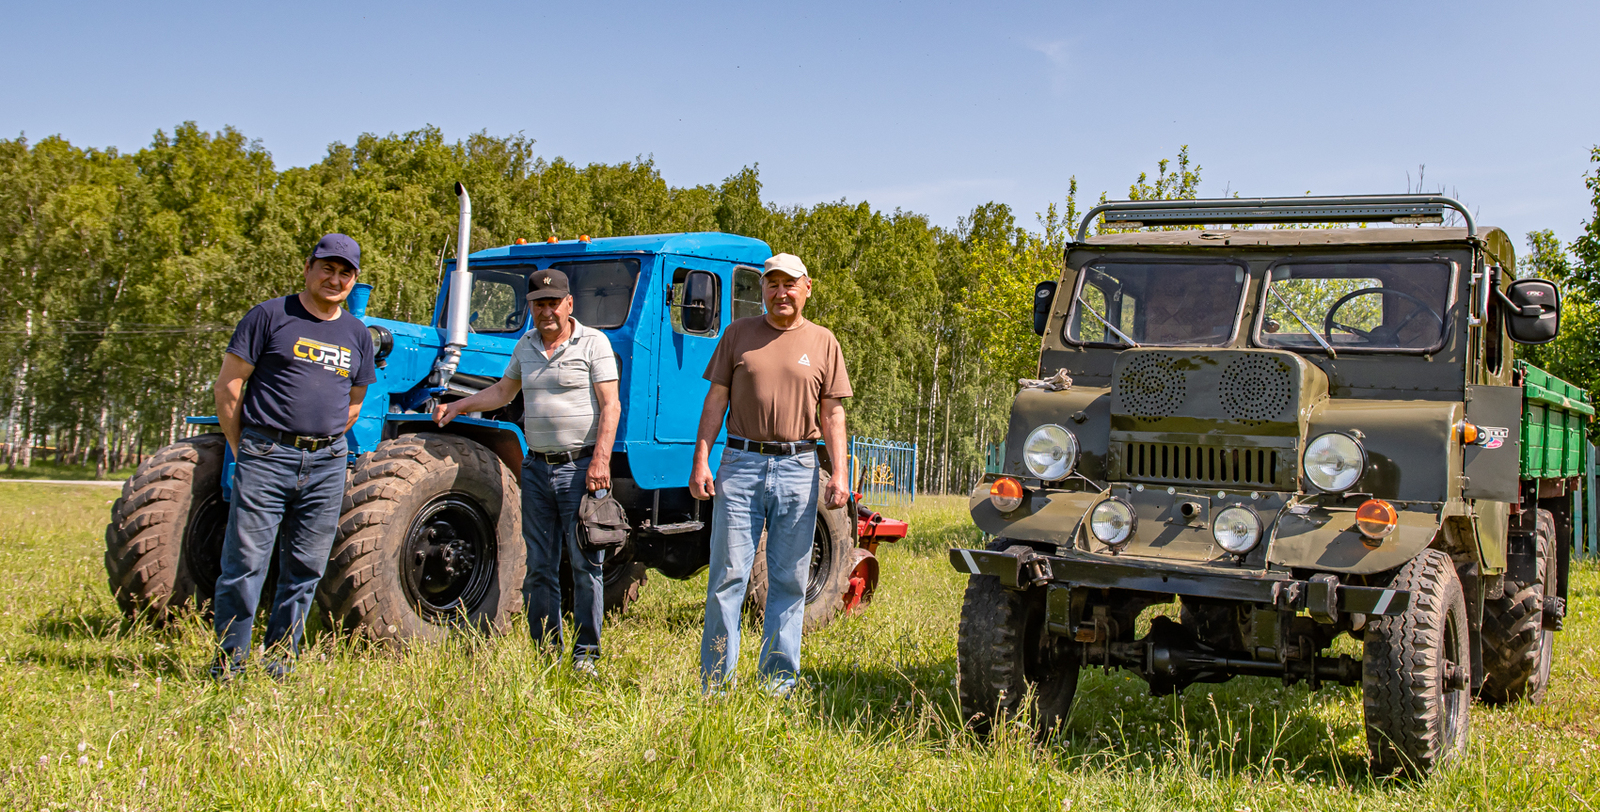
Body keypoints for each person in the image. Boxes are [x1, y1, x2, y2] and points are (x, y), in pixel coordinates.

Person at [433, 269, 620, 672]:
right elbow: (503, 392)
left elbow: (611, 405)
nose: (546, 310)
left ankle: (586, 655)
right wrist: (457, 406)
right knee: (539, 565)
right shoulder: (526, 344)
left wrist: (601, 459)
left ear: (569, 304)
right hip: (536, 469)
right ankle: (545, 653)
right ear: (531, 307)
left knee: (586, 564)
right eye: (539, 303)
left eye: (554, 302)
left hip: (581, 468)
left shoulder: (593, 343)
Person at [211, 233, 376, 680]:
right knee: (246, 563)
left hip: (326, 463)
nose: (334, 278)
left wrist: (320, 440)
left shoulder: (357, 334)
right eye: (327, 267)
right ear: (308, 267)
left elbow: (355, 402)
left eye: (345, 272)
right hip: (266, 454)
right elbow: (228, 387)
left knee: (305, 567)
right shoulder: (270, 316)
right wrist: (240, 445)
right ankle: (230, 663)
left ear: (354, 280)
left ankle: (280, 660)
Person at [689, 252, 852, 696]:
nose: (781, 292)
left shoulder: (824, 342)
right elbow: (715, 401)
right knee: (727, 577)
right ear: (762, 289)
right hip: (740, 465)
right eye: (772, 284)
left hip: (800, 467)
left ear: (807, 288)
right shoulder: (738, 334)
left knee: (788, 579)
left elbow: (833, 413)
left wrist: (839, 472)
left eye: (789, 284)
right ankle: (715, 685)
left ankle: (778, 683)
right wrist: (702, 459)